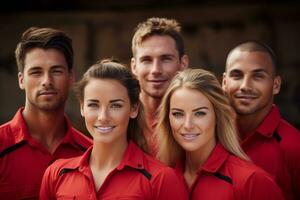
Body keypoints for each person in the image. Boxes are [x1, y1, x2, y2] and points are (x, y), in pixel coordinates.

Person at [40, 59, 188, 199]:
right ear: (82, 107)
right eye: (93, 105)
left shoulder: (161, 178)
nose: (103, 117)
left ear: (134, 109)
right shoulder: (56, 174)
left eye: (115, 105)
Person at [155, 68, 284, 199]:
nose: (188, 125)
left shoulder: (253, 181)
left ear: (218, 116)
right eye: (178, 114)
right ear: (168, 119)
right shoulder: (159, 178)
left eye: (200, 113)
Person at [0, 27, 92, 199]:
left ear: (71, 77)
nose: (47, 81)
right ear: (21, 80)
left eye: (56, 71)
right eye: (36, 72)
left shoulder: (91, 153)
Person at [222, 41, 300, 200]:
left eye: (258, 76)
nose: (245, 86)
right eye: (237, 75)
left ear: (276, 85)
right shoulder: (209, 137)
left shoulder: (295, 146)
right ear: (224, 82)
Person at [131, 17, 189, 155]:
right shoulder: (120, 119)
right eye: (146, 60)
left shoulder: (200, 121)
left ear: (183, 63)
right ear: (134, 66)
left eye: (166, 59)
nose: (156, 70)